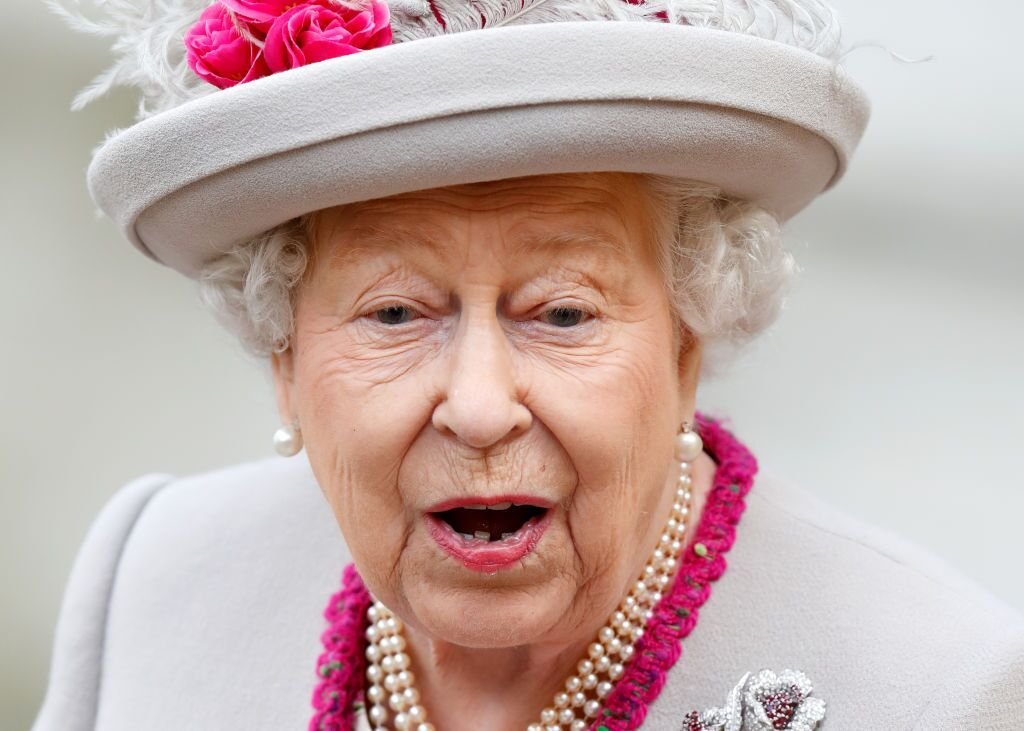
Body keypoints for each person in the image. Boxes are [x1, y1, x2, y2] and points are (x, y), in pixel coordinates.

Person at [35, 1, 1024, 730]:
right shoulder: (156, 579)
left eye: (560, 310)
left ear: (685, 343)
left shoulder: (940, 684)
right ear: (284, 360)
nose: (476, 404)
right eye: (393, 311)